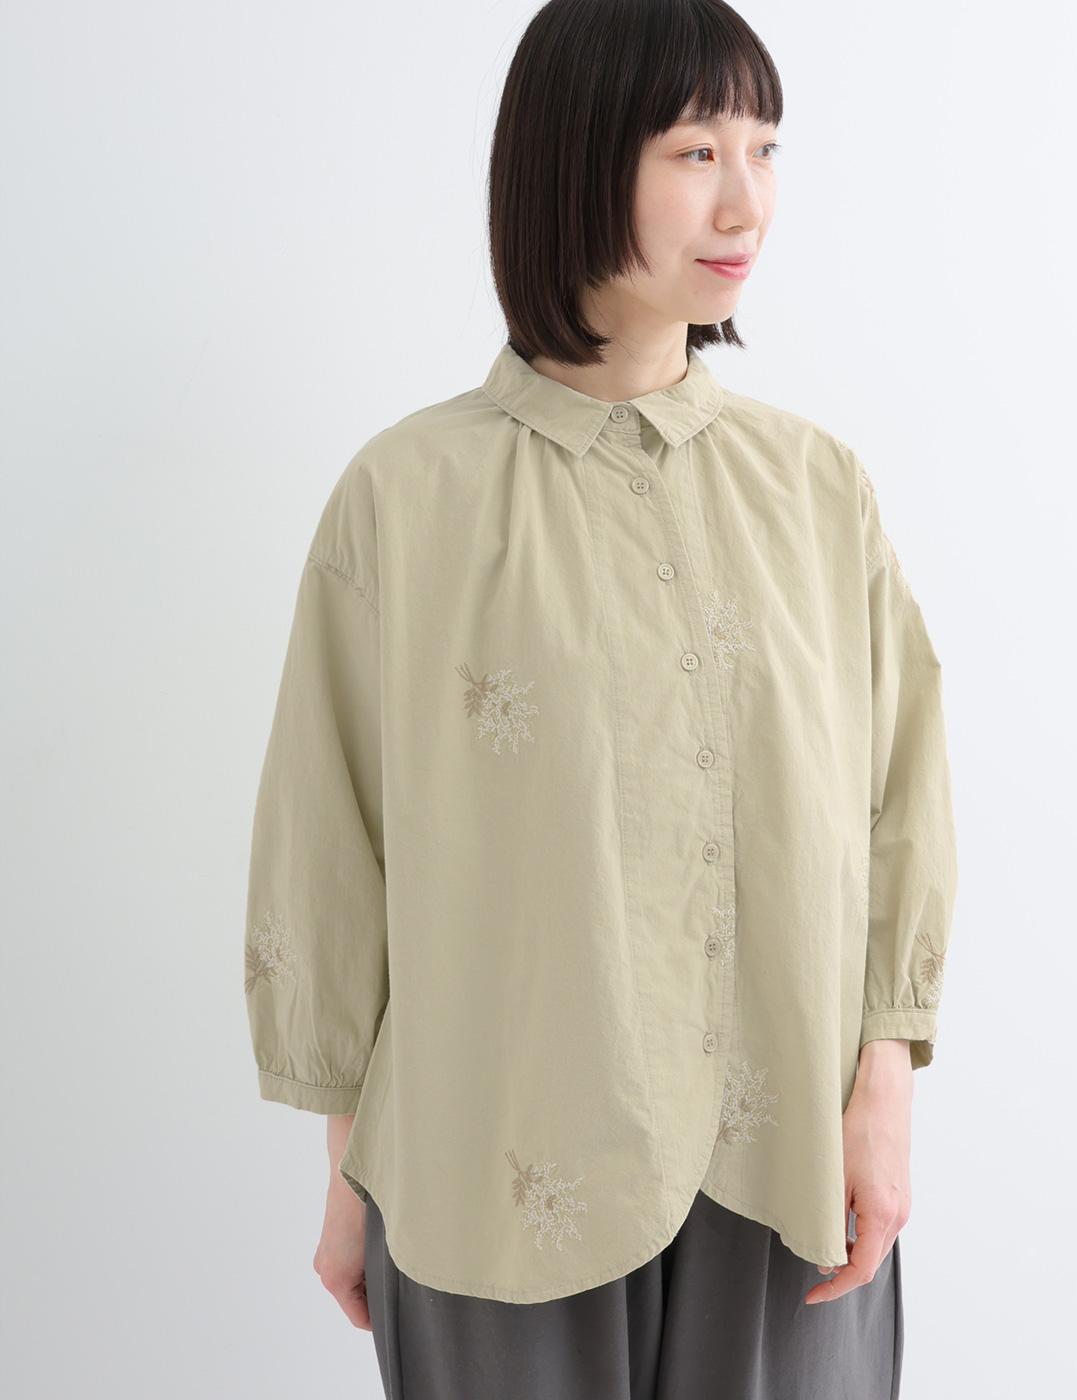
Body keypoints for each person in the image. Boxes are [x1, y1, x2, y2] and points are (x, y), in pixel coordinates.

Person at [243, 1, 958, 1396]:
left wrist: (885, 1088)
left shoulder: (816, 489)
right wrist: (347, 1167)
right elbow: (327, 842)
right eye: (696, 151)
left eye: (764, 147)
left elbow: (901, 796)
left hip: (787, 1163)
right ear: (573, 160)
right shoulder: (407, 497)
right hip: (495, 1168)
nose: (746, 200)